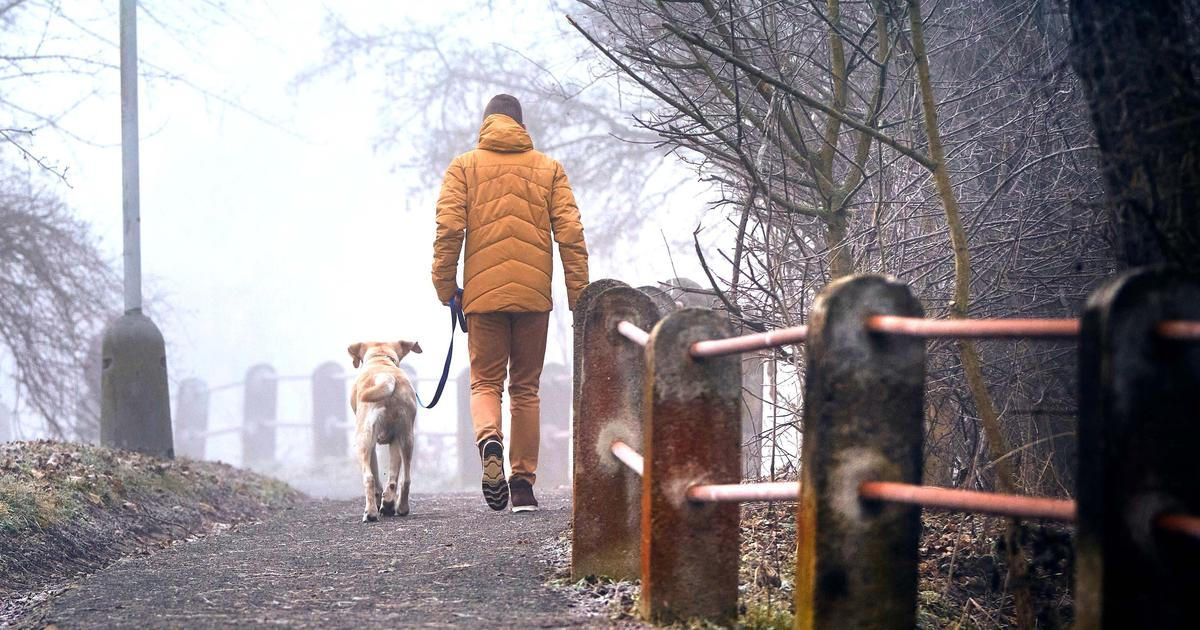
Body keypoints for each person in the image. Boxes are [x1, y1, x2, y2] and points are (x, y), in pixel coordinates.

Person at [431, 94, 588, 512]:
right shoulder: (549, 169)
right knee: (525, 389)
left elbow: (449, 230)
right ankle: (522, 486)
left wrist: (445, 287)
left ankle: (489, 440)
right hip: (533, 298)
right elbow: (570, 235)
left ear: (485, 124)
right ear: (521, 125)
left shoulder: (463, 167)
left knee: (485, 382)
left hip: (482, 298)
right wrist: (580, 299)